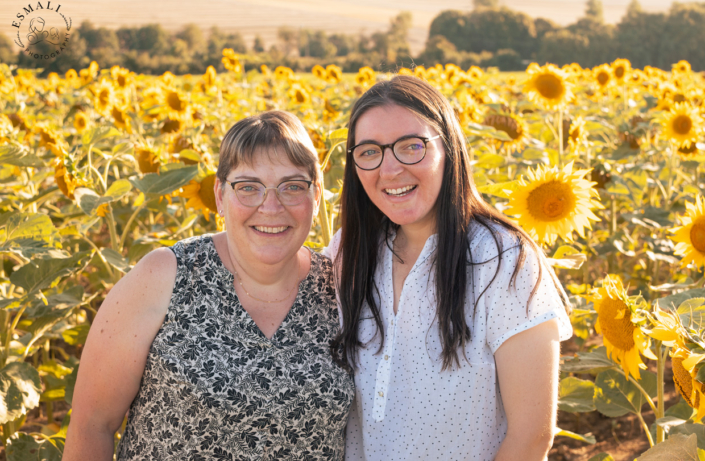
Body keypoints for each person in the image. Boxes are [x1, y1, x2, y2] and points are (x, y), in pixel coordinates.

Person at [63, 110, 355, 461]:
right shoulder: (165, 276)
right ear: (219, 195)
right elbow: (92, 425)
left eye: (292, 186)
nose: (271, 206)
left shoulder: (340, 288)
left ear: (317, 195)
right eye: (248, 187)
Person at [323, 75, 572, 461]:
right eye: (369, 151)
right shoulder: (348, 251)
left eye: (411, 146)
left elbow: (531, 436)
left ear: (448, 149)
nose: (389, 170)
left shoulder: (502, 260)